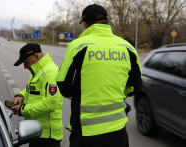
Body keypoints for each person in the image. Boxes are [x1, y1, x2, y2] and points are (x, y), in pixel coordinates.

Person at [56, 4, 142, 147]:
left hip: (85, 131)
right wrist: (118, 92)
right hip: (118, 129)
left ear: (85, 24)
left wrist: (83, 94)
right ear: (108, 21)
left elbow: (63, 86)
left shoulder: (78, 46)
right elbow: (136, 86)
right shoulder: (127, 47)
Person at [11, 43, 63, 147]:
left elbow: (50, 104)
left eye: (26, 62)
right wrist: (20, 95)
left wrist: (22, 109)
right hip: (36, 132)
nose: (25, 67)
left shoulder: (51, 72)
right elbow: (30, 89)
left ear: (37, 56)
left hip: (47, 137)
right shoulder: (38, 71)